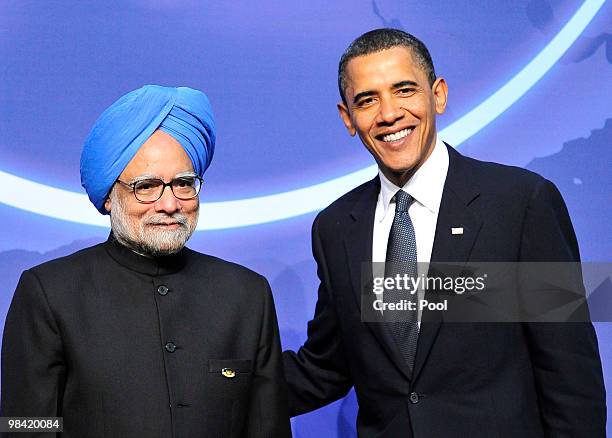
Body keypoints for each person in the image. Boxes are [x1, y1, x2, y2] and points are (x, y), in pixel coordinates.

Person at [283, 29, 606, 437]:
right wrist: (213, 382)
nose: (388, 114)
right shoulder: (336, 227)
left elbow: (570, 373)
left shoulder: (520, 203)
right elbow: (326, 367)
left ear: (438, 95)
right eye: (367, 100)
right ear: (348, 118)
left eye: (404, 90)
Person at [1, 85, 291, 438]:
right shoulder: (49, 293)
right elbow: (25, 428)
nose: (170, 204)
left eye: (184, 184)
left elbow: (268, 428)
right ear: (110, 195)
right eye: (147, 186)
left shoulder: (247, 294)